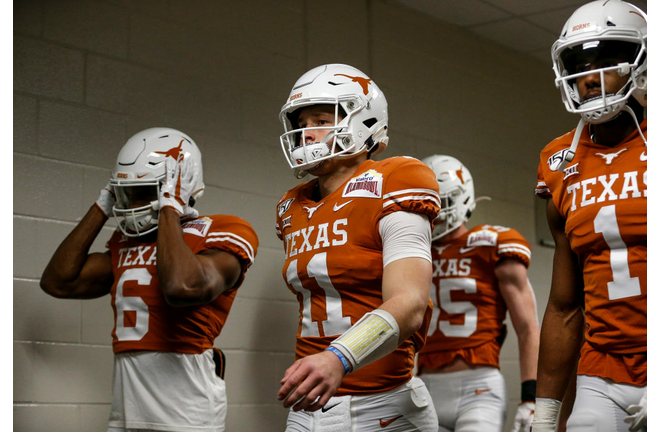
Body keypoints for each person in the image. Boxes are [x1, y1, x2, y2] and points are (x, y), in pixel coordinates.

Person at [40, 127, 259, 432]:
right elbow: (58, 282)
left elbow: (182, 287)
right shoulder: (125, 241)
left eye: (145, 192)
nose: (131, 206)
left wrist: (169, 206)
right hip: (126, 405)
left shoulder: (224, 228)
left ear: (181, 186)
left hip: (186, 408)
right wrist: (101, 206)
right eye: (126, 193)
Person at [274, 63, 441, 431]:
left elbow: (410, 303)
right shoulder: (291, 206)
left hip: (383, 403)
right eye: (302, 123)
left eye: (320, 119)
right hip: (309, 401)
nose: (306, 134)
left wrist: (338, 357)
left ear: (363, 121)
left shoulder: (395, 179)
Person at [532, 1, 647, 431]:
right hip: (601, 369)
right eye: (579, 64)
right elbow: (565, 306)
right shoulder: (558, 161)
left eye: (607, 62)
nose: (589, 77)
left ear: (644, 63)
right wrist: (545, 413)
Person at [415, 154, 540, 432]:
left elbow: (528, 327)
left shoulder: (491, 244)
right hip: (423, 386)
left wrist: (530, 398)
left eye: (441, 204)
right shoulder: (412, 254)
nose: (434, 214)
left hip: (478, 386)